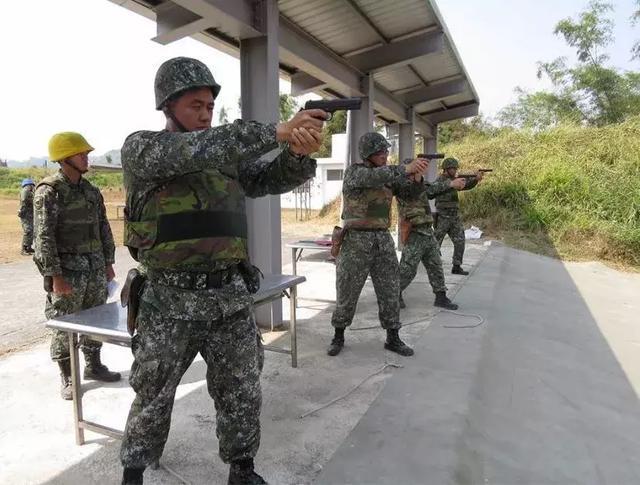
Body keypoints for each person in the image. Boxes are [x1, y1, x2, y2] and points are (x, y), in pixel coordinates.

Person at [119, 56, 325, 485]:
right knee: (153, 394)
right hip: (168, 302)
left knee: (242, 391)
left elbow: (269, 178)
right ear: (168, 106)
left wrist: (298, 153)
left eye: (210, 105)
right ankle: (133, 473)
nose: (205, 113)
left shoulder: (224, 160)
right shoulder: (144, 150)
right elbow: (199, 149)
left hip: (228, 297)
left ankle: (241, 469)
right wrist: (275, 129)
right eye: (195, 104)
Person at [33, 132, 121, 401]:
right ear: (64, 158)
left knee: (96, 320)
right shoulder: (49, 192)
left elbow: (103, 228)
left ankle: (93, 365)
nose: (86, 157)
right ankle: (68, 375)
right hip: (67, 272)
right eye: (81, 153)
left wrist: (108, 263)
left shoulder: (91, 191)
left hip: (94, 269)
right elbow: (43, 236)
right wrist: (54, 276)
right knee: (64, 324)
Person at [327, 132, 429, 357]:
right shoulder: (355, 172)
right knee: (347, 290)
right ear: (368, 153)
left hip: (382, 240)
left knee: (390, 289)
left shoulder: (389, 175)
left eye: (386, 151)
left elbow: (409, 194)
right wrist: (405, 169)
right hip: (355, 240)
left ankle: (393, 336)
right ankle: (338, 335)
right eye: (380, 152)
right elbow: (374, 177)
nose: (385, 155)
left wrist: (418, 177)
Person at [397, 159, 466, 310]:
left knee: (436, 265)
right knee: (407, 270)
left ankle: (440, 297)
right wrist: (449, 184)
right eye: (415, 170)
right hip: (414, 232)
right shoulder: (402, 186)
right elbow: (424, 191)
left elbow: (433, 189)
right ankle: (395, 294)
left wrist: (451, 184)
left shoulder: (421, 183)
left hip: (427, 231)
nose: (418, 172)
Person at [434, 157, 483, 275]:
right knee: (435, 242)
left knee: (460, 240)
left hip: (454, 216)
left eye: (456, 168)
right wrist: (452, 184)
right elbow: (435, 189)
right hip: (443, 216)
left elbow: (465, 185)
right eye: (453, 168)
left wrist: (475, 179)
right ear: (446, 169)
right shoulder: (440, 181)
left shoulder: (454, 180)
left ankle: (456, 266)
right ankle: (433, 266)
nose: (455, 170)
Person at [18, 178, 36, 255]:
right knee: (28, 230)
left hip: (29, 214)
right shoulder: (26, 191)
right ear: (28, 185)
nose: (32, 187)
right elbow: (25, 199)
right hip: (26, 214)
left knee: (31, 230)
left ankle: (28, 247)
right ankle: (24, 249)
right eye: (31, 185)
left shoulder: (29, 192)